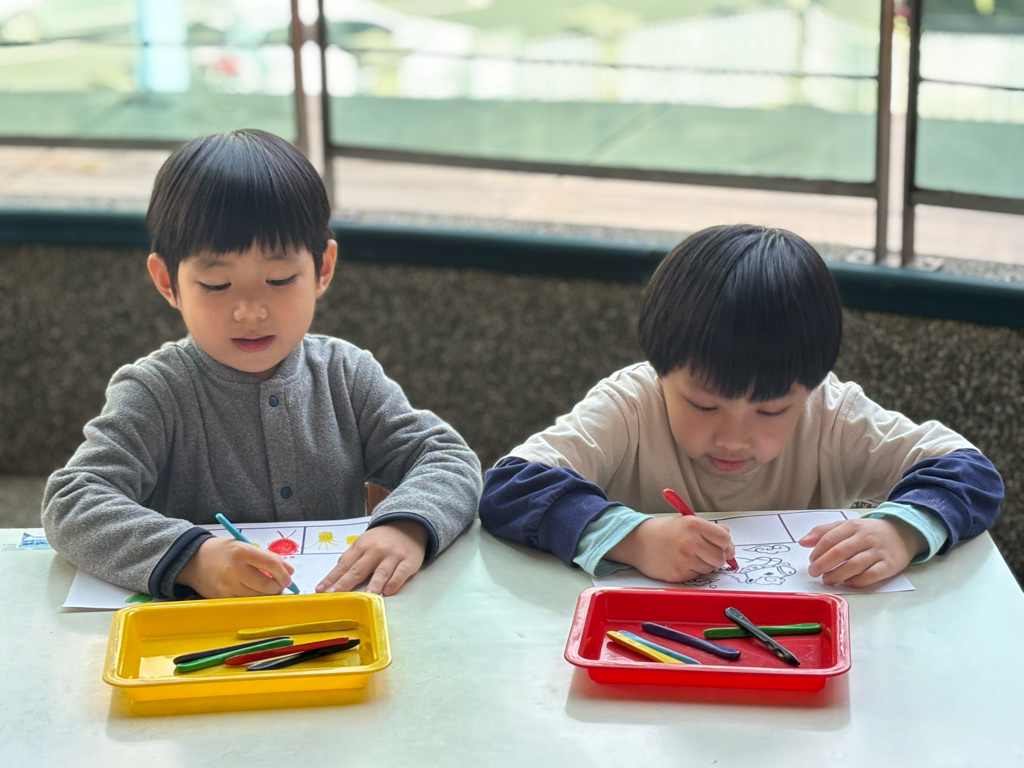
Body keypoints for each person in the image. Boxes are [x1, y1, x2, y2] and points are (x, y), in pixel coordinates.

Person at [42, 129, 481, 600]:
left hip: (333, 620)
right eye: (216, 285)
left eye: (280, 279)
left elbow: (448, 457)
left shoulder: (346, 374)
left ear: (323, 269)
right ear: (167, 281)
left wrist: (405, 526)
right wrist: (191, 557)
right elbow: (72, 501)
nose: (249, 311)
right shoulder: (156, 391)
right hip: (201, 631)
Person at [478, 224, 1003, 588]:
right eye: (703, 406)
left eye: (771, 412)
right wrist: (632, 538)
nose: (733, 438)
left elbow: (971, 474)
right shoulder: (632, 405)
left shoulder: (832, 415)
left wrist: (900, 530)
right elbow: (509, 487)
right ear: (661, 369)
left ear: (810, 387)